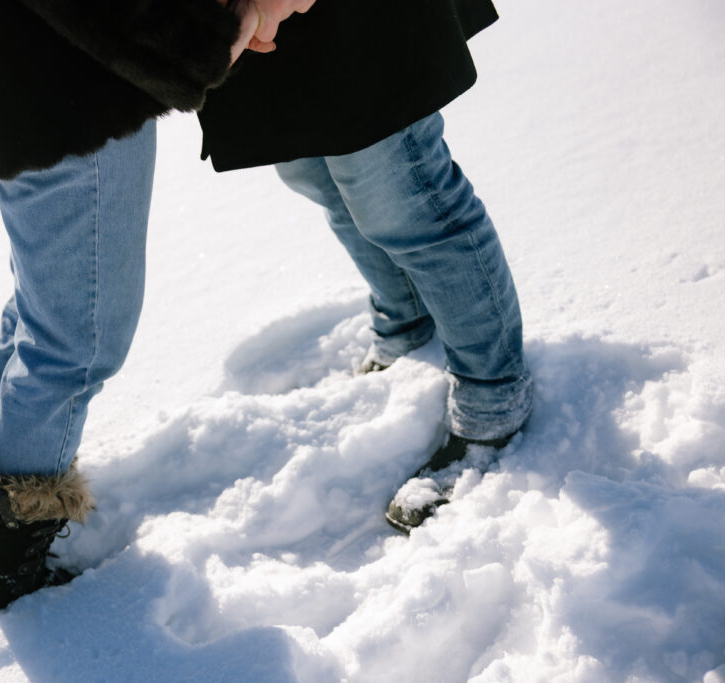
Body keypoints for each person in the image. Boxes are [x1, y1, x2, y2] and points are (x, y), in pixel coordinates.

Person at [0, 0, 311, 629]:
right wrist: (205, 35)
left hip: (15, 66)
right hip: (62, 81)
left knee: (48, 294)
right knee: (77, 337)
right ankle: (5, 582)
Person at [197, 0, 533, 533]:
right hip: (251, 20)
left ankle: (493, 400)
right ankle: (408, 321)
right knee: (313, 167)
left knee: (401, 190)